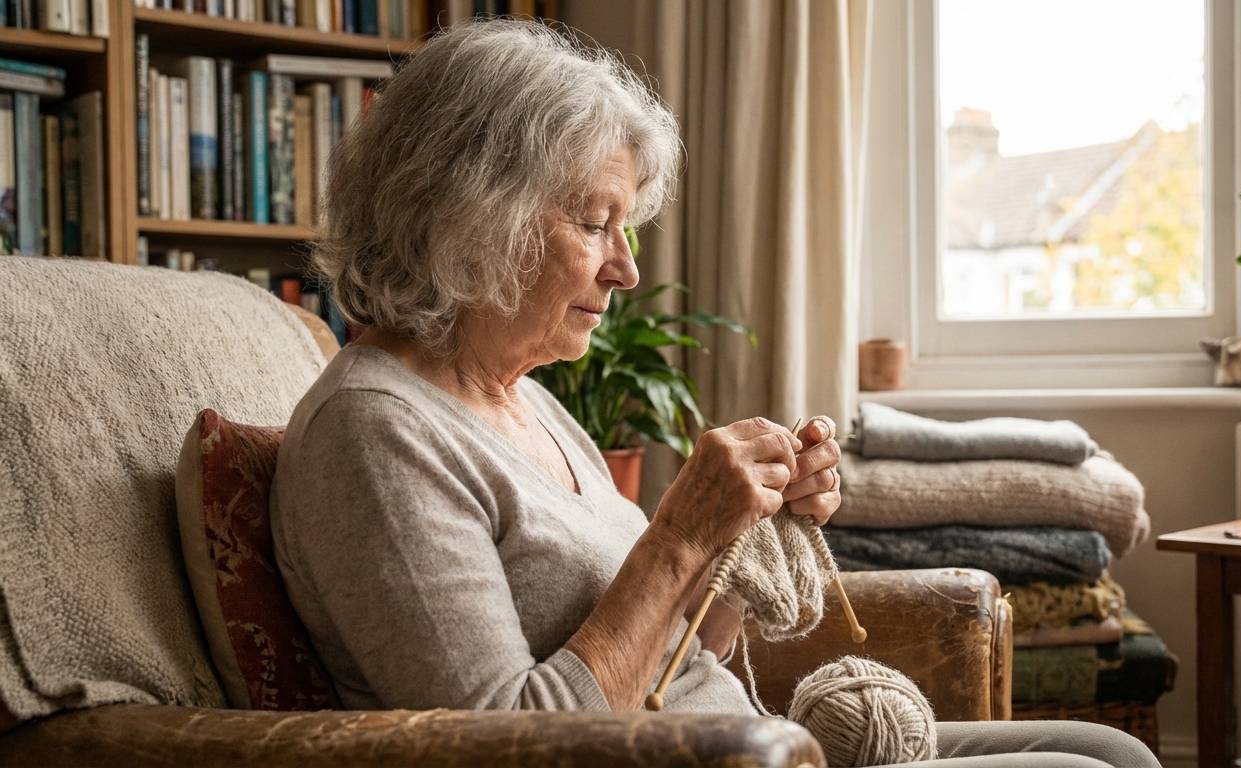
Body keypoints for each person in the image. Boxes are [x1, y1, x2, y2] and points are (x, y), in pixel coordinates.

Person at [270, 20, 1159, 768]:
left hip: (741, 741)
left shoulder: (525, 402)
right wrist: (680, 534)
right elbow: (512, 742)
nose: (625, 268)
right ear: (470, 211)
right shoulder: (376, 435)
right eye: (594, 223)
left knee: (1110, 752)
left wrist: (736, 544)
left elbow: (676, 661)